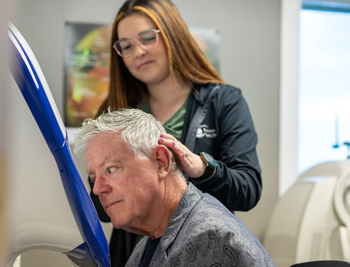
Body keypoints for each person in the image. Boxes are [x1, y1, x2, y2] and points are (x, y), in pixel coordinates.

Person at [91, 0, 262, 265]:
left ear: (172, 34)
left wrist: (203, 169)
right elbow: (101, 207)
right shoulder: (114, 112)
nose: (138, 51)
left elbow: (248, 189)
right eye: (126, 46)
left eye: (147, 38)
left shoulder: (224, 102)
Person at [73, 108, 274, 267]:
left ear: (161, 162)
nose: (98, 189)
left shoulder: (209, 239)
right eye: (93, 178)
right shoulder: (151, 240)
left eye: (110, 169)